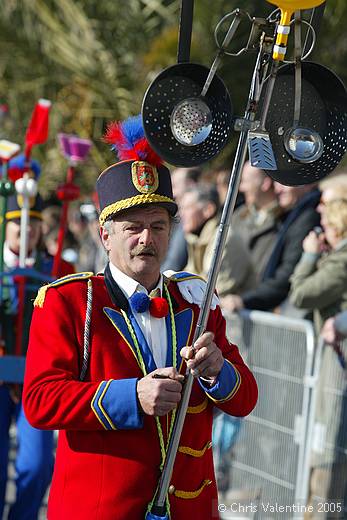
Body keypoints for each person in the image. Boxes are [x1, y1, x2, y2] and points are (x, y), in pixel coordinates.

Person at [22, 115, 258, 520]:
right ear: (105, 235)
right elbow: (40, 401)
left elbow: (246, 400)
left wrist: (218, 369)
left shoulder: (195, 301)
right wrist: (131, 396)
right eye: (133, 227)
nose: (147, 239)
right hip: (101, 509)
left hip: (190, 506)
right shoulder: (69, 301)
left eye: (158, 226)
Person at [0, 192, 74, 520]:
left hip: (37, 381)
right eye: (17, 222)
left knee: (38, 463)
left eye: (34, 224)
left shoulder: (59, 268)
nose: (26, 229)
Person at [221, 182, 321, 313]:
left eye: (285, 183)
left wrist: (245, 300)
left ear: (307, 183)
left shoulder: (308, 218)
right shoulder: (293, 215)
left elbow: (287, 275)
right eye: (277, 183)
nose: (277, 189)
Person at [180, 183, 257, 298]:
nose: (181, 214)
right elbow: (187, 279)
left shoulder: (224, 240)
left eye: (187, 208)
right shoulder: (196, 238)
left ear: (208, 210)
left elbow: (212, 290)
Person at [231, 161, 282, 282]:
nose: (241, 188)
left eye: (246, 181)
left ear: (265, 184)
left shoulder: (282, 220)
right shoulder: (237, 216)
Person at [161, 167, 202, 272]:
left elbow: (174, 262)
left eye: (175, 186)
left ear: (190, 184)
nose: (172, 194)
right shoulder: (179, 215)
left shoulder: (189, 219)